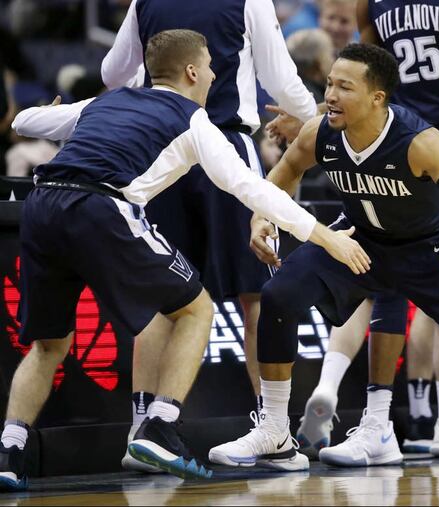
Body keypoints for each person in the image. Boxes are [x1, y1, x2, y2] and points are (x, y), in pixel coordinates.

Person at [0, 29, 363, 490]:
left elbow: (23, 123)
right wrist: (325, 239)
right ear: (192, 71)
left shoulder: (103, 102)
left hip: (42, 204)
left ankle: (10, 452)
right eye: (210, 65)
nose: (214, 73)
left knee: (49, 345)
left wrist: (44, 115)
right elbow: (250, 188)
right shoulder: (194, 121)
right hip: (100, 207)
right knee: (197, 309)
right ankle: (161, 425)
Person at [208, 42, 439, 474]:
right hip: (360, 242)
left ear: (377, 98)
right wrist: (263, 216)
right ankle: (276, 431)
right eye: (330, 83)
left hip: (431, 250)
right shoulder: (321, 132)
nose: (330, 95)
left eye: (344, 87)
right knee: (279, 295)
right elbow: (284, 174)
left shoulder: (419, 141)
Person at [101, 0, 318, 472]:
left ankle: (142, 430)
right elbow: (281, 79)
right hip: (224, 143)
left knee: (161, 299)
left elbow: (112, 73)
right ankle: (273, 427)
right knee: (258, 294)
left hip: (159, 146)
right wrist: (310, 117)